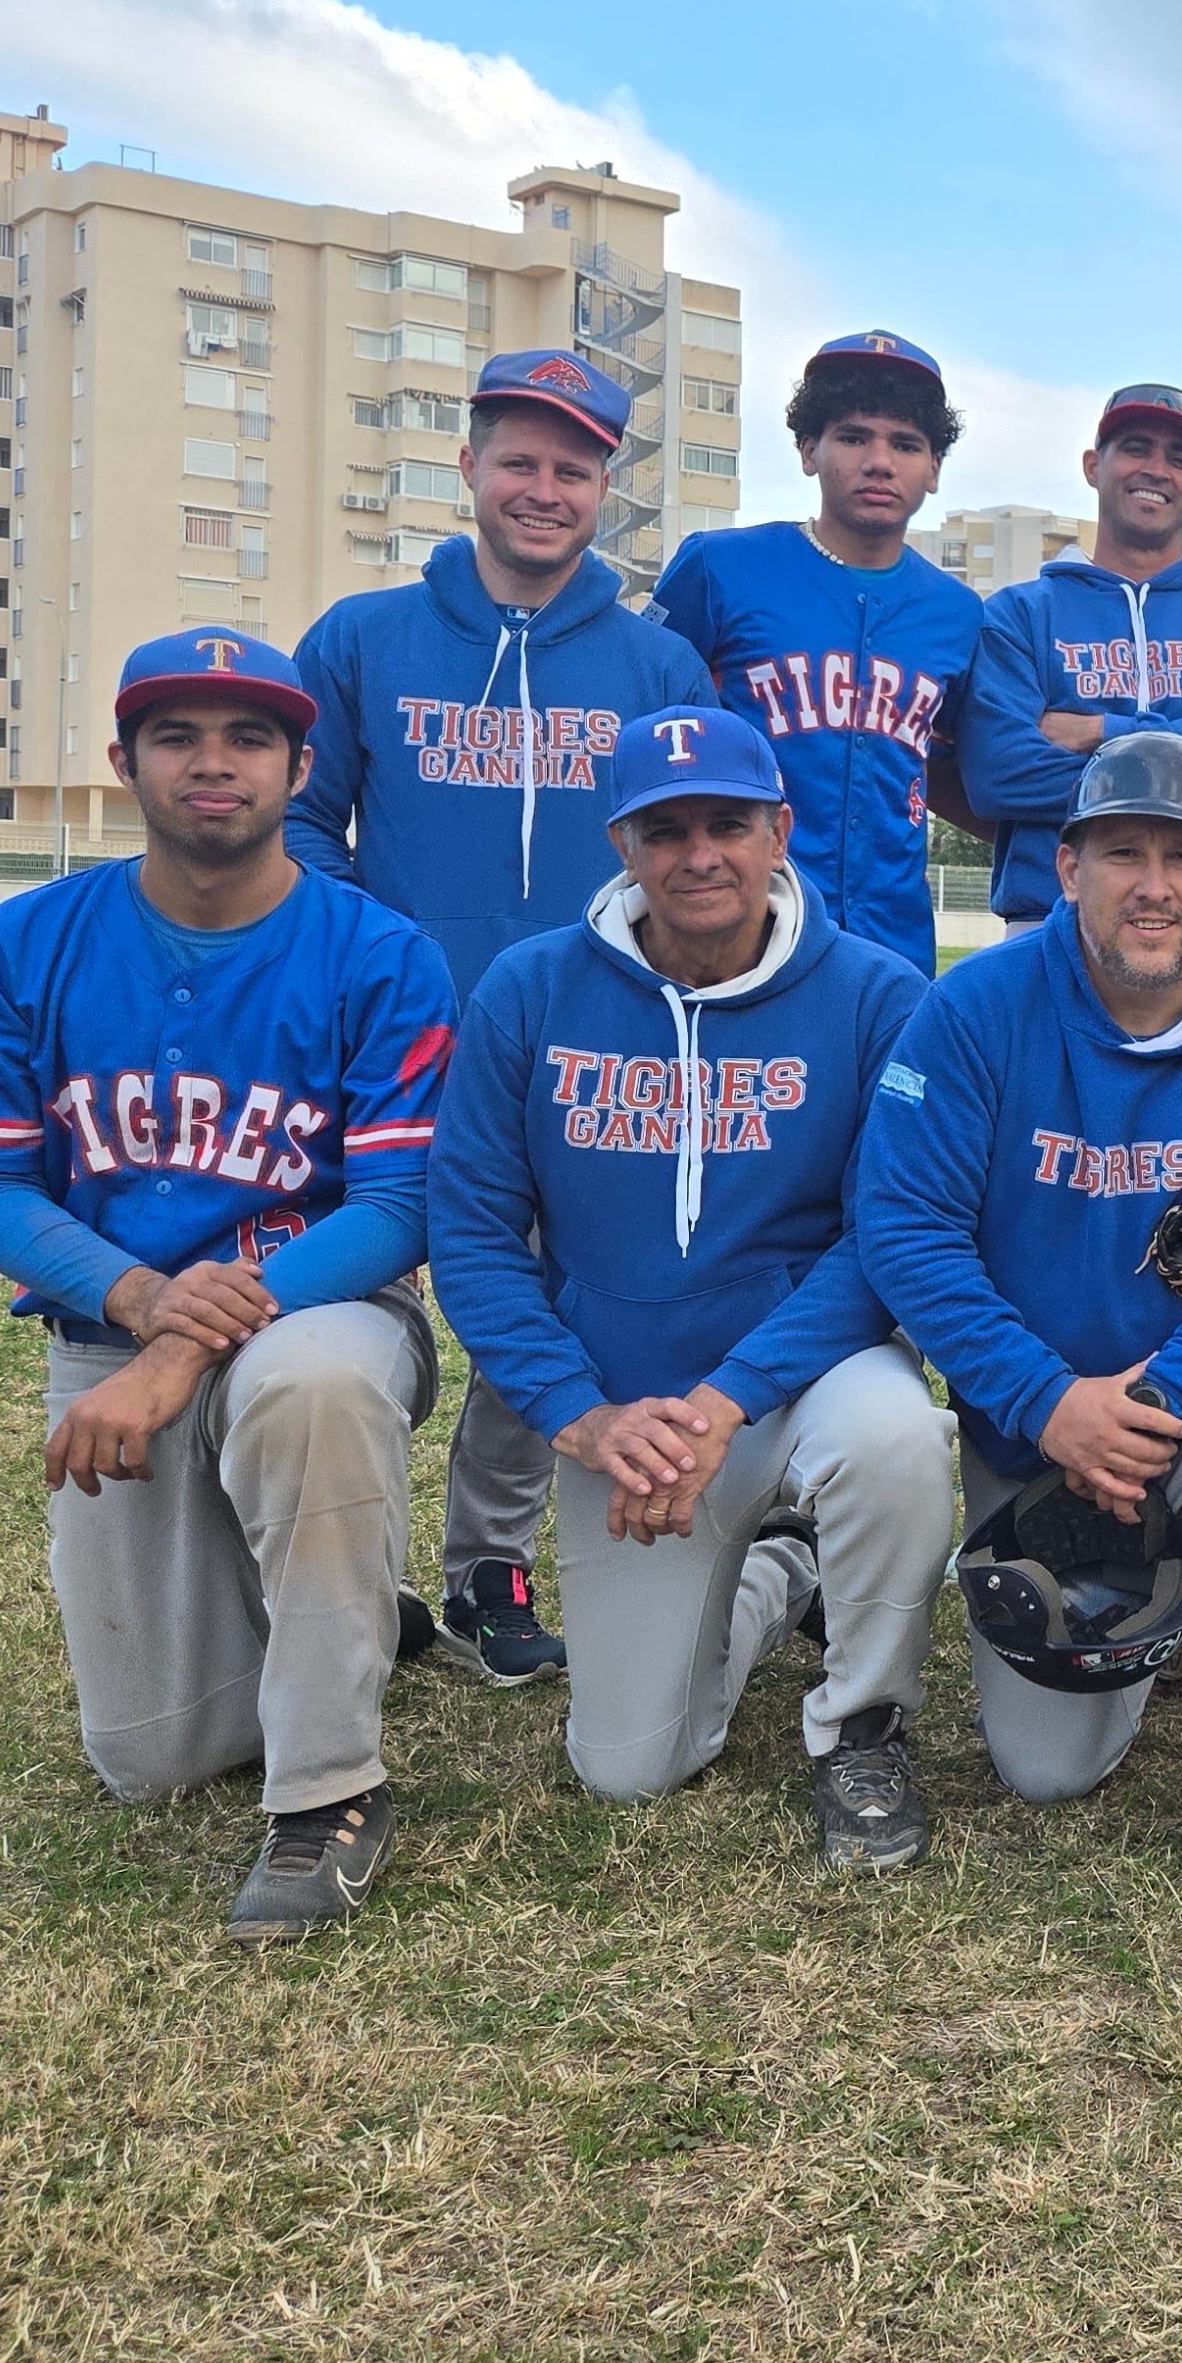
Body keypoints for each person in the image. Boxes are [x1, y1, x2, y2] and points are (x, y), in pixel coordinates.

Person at [0, 629, 454, 1940]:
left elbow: (396, 1203)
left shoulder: (380, 953)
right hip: (117, 1325)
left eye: (248, 737)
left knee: (312, 1388)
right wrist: (141, 1305)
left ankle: (331, 1791)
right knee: (152, 1758)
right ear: (124, 760)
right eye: (178, 735)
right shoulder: (25, 940)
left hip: (319, 1310)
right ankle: (345, 1599)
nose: (213, 763)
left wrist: (186, 1341)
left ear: (298, 766)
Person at [854, 731, 1182, 1913]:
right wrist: (1048, 1402)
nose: (1154, 883)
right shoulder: (977, 1006)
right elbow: (904, 1228)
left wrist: (1150, 1400)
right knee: (1049, 1773)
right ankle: (1173, 1589)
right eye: (1122, 851)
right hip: (1030, 1426)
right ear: (1068, 865)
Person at [428, 708, 951, 1867]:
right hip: (626, 1409)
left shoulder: (876, 994)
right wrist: (583, 1412)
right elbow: (469, 1230)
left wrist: (727, 1401)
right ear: (623, 842)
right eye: (665, 829)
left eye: (727, 823)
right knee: (629, 1767)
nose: (698, 854)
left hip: (802, 1376)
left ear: (780, 829)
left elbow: (887, 1239)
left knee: (898, 1438)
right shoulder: (529, 989)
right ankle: (780, 1568)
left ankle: (862, 1722)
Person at [291, 345, 709, 1686]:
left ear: (605, 491)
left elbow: (691, 860)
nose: (544, 488)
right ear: (468, 467)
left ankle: (486, 1565)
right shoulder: (362, 640)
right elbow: (307, 825)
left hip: (576, 1049)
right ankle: (343, 1579)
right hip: (393, 1050)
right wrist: (379, 973)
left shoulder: (656, 664)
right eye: (519, 459)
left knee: (544, 1310)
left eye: (573, 467)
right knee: (354, 1317)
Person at [648, 329, 983, 975]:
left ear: (934, 469)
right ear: (809, 449)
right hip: (737, 935)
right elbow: (643, 724)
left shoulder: (958, 614)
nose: (880, 462)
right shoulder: (720, 568)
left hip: (896, 943)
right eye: (854, 437)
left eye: (907, 444)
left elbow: (959, 769)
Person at [956, 382, 1182, 944]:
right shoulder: (1018, 616)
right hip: (1049, 921)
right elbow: (997, 773)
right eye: (1136, 448)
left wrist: (1101, 730)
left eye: (1180, 459)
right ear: (1094, 465)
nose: (1157, 469)